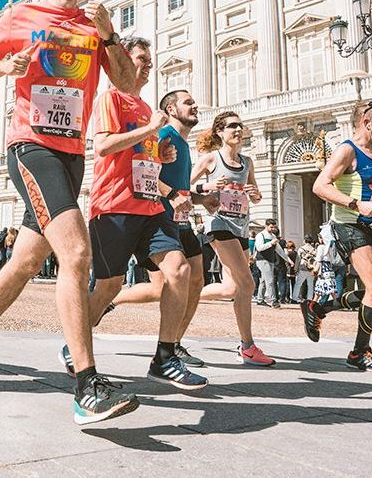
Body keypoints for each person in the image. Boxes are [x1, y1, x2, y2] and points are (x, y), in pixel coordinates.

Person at [0, 0, 140, 425]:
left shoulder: (92, 24)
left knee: (27, 257)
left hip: (70, 153)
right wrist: (4, 65)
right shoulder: (22, 17)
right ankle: (87, 384)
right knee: (76, 253)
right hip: (30, 146)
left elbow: (126, 84)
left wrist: (110, 36)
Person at [54, 36, 206, 391]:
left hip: (151, 206)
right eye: (141, 58)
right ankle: (73, 345)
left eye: (149, 59)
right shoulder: (111, 99)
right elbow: (104, 145)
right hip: (114, 206)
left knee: (179, 270)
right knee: (108, 286)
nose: (148, 64)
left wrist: (160, 156)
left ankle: (165, 357)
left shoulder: (145, 107)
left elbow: (142, 157)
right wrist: (150, 130)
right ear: (122, 63)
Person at [104, 90, 211, 369]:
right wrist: (173, 194)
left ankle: (173, 346)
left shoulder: (185, 145)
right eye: (188, 102)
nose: (195, 105)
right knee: (167, 283)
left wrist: (202, 199)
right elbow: (144, 170)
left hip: (180, 220)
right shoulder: (163, 134)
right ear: (171, 109)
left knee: (194, 280)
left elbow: (182, 189)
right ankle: (111, 301)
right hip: (159, 218)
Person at [301, 101, 372, 373]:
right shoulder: (347, 149)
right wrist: (356, 204)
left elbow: (371, 190)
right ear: (367, 123)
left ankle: (319, 308)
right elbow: (319, 186)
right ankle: (359, 353)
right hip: (350, 224)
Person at [191, 112, 277, 366]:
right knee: (248, 284)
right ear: (220, 132)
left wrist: (255, 193)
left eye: (240, 125)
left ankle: (185, 298)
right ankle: (247, 346)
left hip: (240, 227)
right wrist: (206, 188)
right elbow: (183, 185)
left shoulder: (247, 162)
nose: (237, 129)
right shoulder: (210, 159)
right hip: (218, 225)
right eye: (231, 126)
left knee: (232, 288)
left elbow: (257, 196)